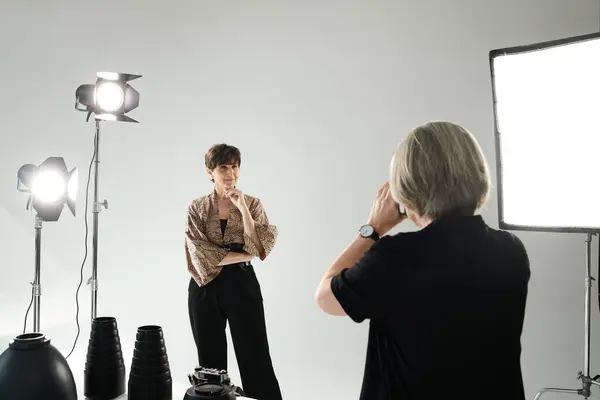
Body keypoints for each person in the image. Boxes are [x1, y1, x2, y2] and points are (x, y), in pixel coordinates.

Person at [315, 121, 530, 400]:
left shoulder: (396, 257)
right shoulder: (511, 249)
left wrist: (372, 229)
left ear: (410, 186)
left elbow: (325, 298)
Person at [185, 143, 282, 400]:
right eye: (223, 167)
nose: (231, 173)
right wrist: (242, 254)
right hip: (204, 286)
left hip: (242, 284)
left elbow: (261, 248)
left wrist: (243, 210)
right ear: (210, 171)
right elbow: (199, 253)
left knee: (255, 356)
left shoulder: (253, 203)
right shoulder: (197, 207)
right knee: (210, 364)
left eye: (235, 166)